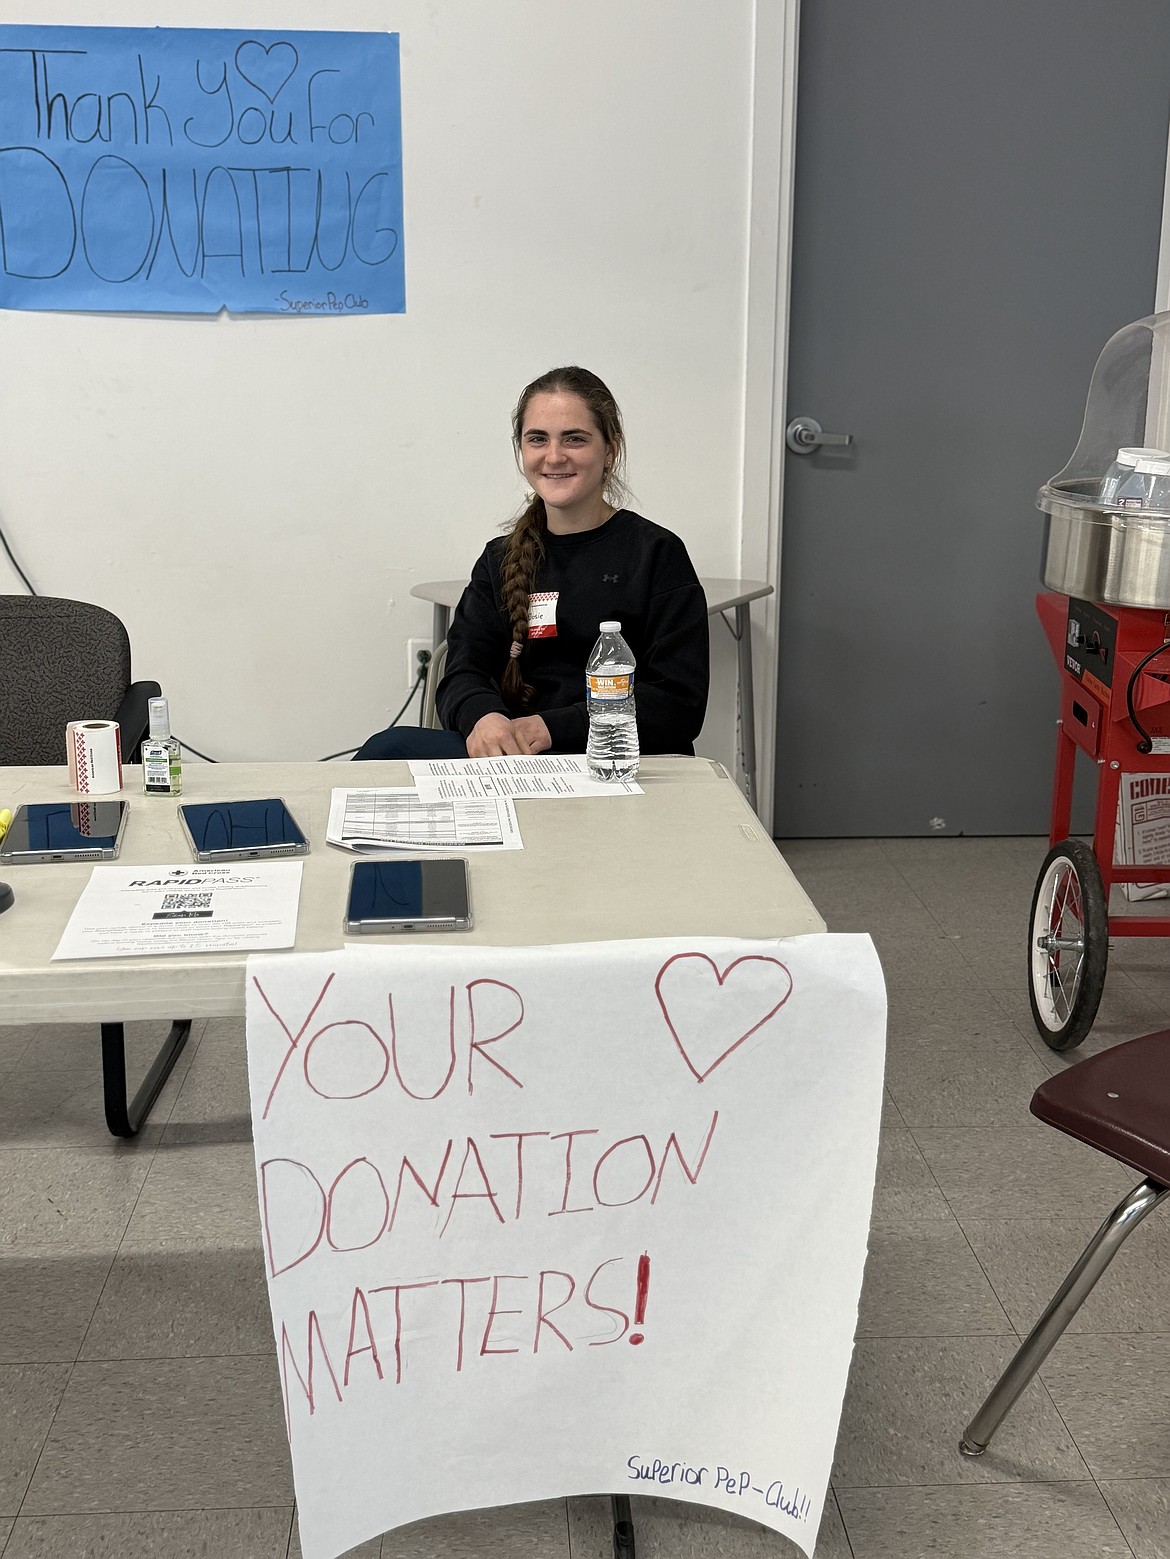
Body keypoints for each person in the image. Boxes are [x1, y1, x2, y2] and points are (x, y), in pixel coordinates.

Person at [353, 366, 709, 760]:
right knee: (387, 749)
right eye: (537, 439)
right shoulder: (499, 558)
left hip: (616, 760)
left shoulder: (657, 553)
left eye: (575, 439)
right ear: (521, 449)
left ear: (610, 449)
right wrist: (483, 718)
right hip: (515, 759)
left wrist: (553, 727)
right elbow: (463, 670)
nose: (554, 457)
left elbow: (678, 703)